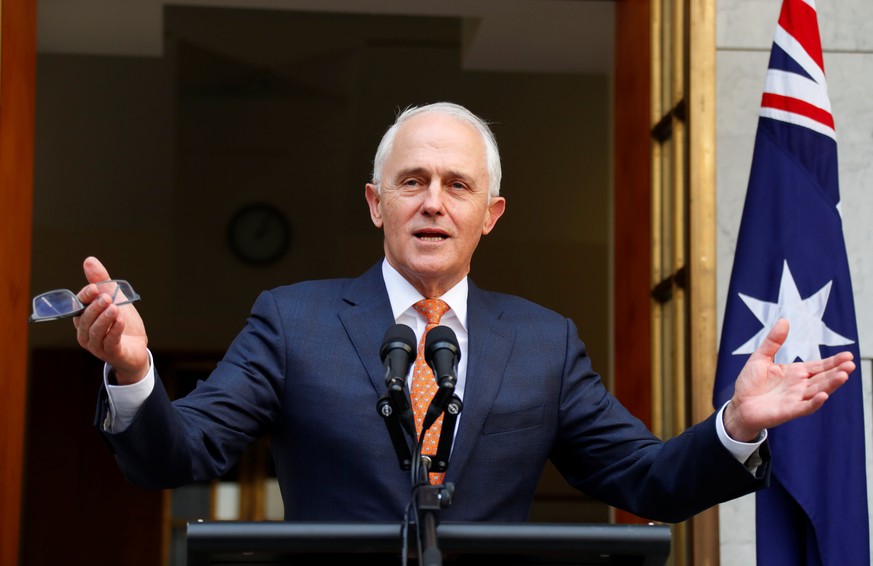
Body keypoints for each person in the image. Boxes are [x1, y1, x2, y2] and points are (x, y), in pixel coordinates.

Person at [72, 102, 854, 523]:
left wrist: (737, 425)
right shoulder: (290, 320)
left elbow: (645, 480)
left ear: (492, 213)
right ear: (377, 205)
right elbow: (178, 457)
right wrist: (132, 373)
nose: (433, 204)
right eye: (412, 182)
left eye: (457, 185)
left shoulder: (544, 342)